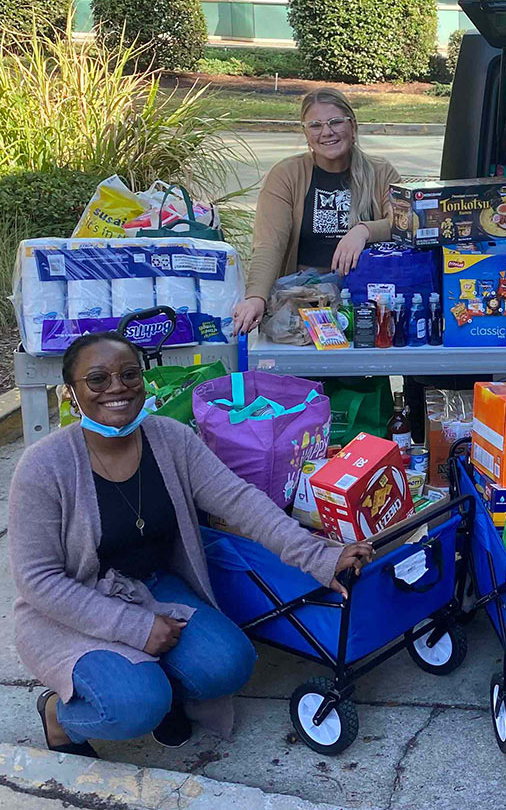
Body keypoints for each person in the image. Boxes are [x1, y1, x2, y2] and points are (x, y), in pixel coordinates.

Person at [10, 332, 374, 755]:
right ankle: (60, 715)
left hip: (153, 587)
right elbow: (38, 580)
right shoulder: (43, 466)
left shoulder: (171, 440)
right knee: (134, 706)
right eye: (97, 379)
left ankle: (161, 684)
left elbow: (240, 501)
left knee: (229, 665)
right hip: (72, 607)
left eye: (129, 374)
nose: (117, 387)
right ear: (71, 393)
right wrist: (135, 628)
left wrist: (320, 557)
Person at [233, 88, 399, 334]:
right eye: (315, 125)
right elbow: (269, 243)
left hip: (367, 304)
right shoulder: (286, 175)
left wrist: (364, 231)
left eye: (335, 122)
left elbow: (405, 222)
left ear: (352, 126)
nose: (327, 132)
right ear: (305, 133)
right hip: (302, 302)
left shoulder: (381, 172)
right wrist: (256, 296)